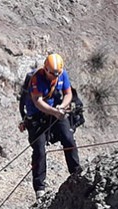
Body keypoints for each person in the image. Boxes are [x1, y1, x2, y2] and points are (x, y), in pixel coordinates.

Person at [20, 53, 82, 199]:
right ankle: (39, 188)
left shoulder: (62, 75)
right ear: (45, 69)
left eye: (57, 74)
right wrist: (55, 111)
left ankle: (76, 172)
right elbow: (37, 101)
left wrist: (62, 106)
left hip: (55, 112)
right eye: (52, 74)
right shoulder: (36, 78)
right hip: (38, 116)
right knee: (39, 149)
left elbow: (68, 94)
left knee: (68, 139)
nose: (55, 77)